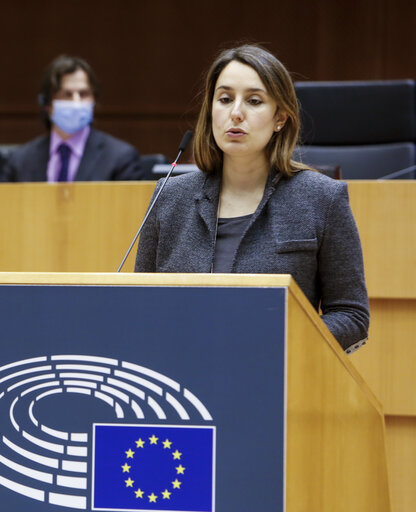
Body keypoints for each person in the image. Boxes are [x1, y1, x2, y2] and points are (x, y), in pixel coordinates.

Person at [134, 44, 369, 353]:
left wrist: (276, 338)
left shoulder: (322, 199)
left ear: (280, 117)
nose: (236, 113)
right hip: (181, 375)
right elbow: (138, 302)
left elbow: (351, 315)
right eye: (225, 99)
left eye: (254, 101)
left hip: (279, 379)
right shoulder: (170, 196)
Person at [0, 55, 142, 182]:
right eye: (67, 94)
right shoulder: (20, 160)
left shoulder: (120, 158)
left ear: (93, 100)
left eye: (84, 94)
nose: (76, 102)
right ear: (47, 103)